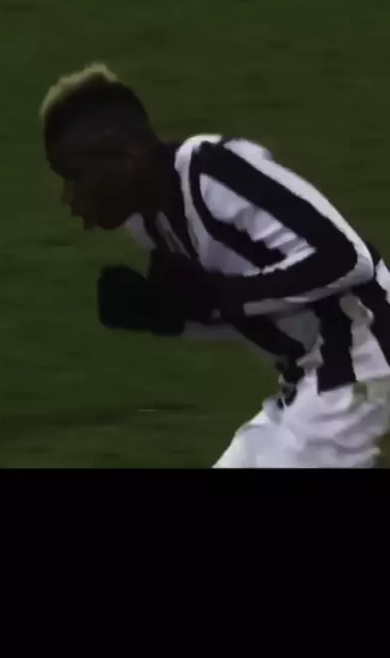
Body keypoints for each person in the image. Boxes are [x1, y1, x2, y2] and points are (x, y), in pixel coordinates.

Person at [39, 63, 390, 468]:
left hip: (362, 362)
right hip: (309, 379)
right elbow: (249, 313)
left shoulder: (213, 170)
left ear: (128, 157)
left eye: (75, 176)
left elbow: (346, 259)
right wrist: (168, 318)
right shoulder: (151, 225)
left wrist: (220, 296)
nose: (69, 197)